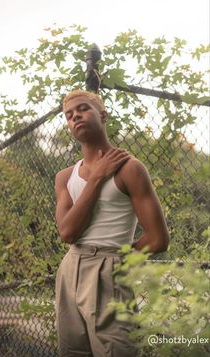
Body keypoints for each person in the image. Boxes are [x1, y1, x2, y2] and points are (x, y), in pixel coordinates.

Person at [55, 89, 170, 357]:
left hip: (109, 267)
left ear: (102, 115)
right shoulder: (64, 177)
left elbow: (158, 239)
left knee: (117, 350)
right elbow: (68, 232)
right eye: (69, 116)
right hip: (70, 267)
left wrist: (117, 263)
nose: (75, 117)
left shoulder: (130, 169)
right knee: (72, 350)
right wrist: (96, 178)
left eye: (83, 109)